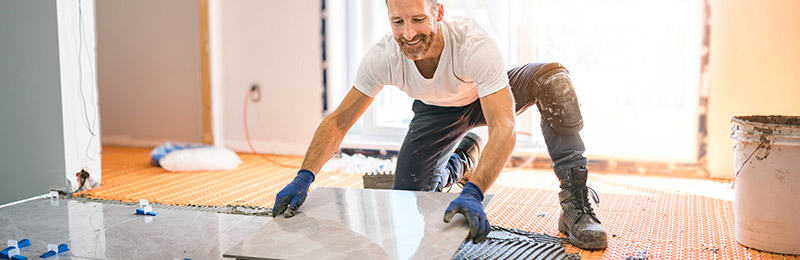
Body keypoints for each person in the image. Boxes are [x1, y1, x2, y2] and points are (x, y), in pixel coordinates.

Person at [271, 0, 607, 249]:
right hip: (436, 114)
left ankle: (575, 202)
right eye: (397, 21)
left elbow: (504, 126)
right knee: (410, 202)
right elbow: (339, 121)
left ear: (438, 12)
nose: (408, 33)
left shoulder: (473, 44)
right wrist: (304, 176)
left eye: (418, 19)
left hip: (487, 96)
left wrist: (476, 192)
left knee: (554, 80)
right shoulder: (383, 57)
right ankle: (462, 161)